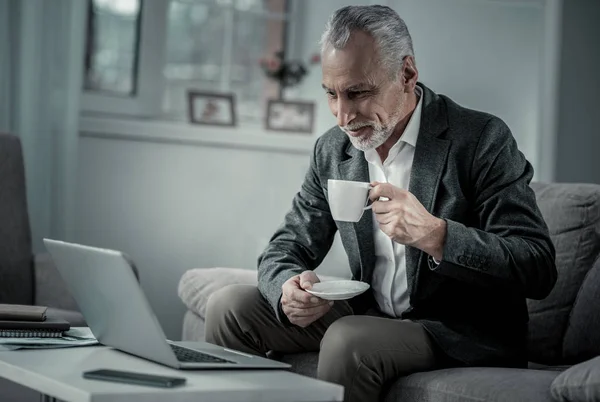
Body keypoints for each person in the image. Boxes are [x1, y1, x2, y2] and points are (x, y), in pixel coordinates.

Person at [205, 5, 557, 402]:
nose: (342, 115)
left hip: (458, 331)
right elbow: (289, 243)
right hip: (371, 314)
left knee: (347, 339)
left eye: (358, 93)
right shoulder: (334, 150)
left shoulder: (480, 139)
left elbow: (538, 267)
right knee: (229, 306)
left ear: (407, 74)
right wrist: (287, 285)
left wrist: (437, 236)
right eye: (331, 95)